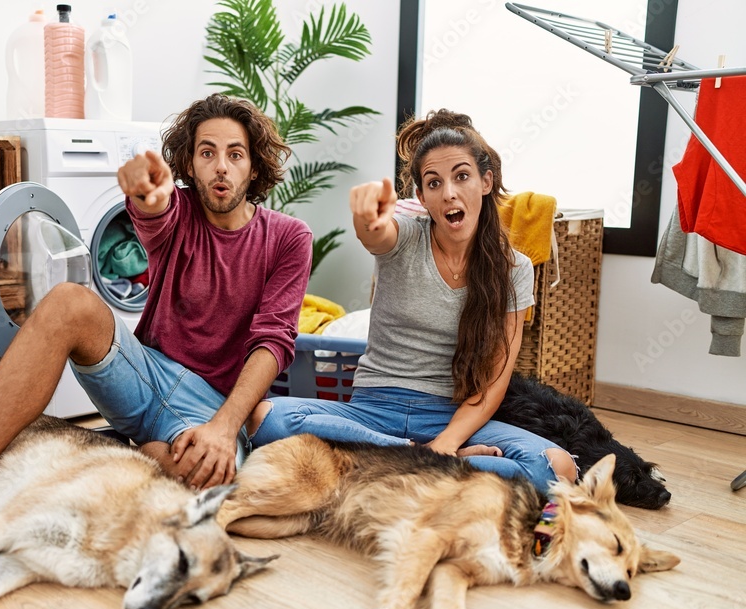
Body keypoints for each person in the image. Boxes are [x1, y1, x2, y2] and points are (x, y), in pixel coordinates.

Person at [0, 94, 313, 564]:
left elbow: (272, 342)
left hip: (209, 406)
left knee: (214, 491)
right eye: (207, 152)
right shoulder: (181, 212)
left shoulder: (289, 238)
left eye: (235, 154)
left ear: (254, 167)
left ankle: (125, 451)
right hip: (145, 375)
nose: (221, 167)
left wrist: (223, 427)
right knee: (71, 300)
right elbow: (155, 213)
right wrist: (145, 196)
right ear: (190, 166)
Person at [246, 109, 577, 493]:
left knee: (559, 467)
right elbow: (376, 234)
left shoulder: (513, 268)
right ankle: (424, 460)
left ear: (486, 182)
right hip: (371, 410)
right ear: (421, 196)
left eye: (462, 176)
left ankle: (390, 462)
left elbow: (493, 384)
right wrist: (367, 217)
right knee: (265, 417)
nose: (449, 192)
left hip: (451, 417)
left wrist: (449, 442)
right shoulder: (405, 236)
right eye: (434, 183)